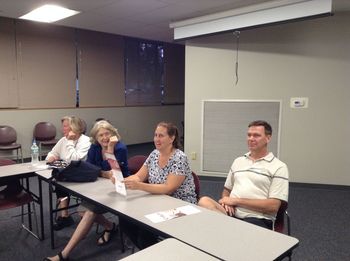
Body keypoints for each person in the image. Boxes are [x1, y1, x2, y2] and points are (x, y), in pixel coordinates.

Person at [44, 120, 129, 261]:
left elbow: (116, 174)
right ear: (95, 137)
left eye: (107, 134)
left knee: (88, 212)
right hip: (99, 188)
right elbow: (90, 170)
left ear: (113, 134)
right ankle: (111, 226)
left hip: (119, 189)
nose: (104, 138)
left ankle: (64, 255)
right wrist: (103, 173)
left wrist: (109, 150)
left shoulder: (120, 148)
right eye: (100, 135)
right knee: (81, 211)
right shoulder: (95, 148)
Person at [198, 120, 289, 230]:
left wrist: (235, 201)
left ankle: (227, 229)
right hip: (231, 213)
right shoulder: (238, 161)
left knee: (231, 232)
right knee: (204, 201)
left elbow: (273, 207)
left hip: (257, 218)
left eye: (256, 135)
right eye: (249, 135)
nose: (251, 138)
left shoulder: (279, 167)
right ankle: (229, 228)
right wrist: (227, 201)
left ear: (268, 138)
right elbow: (227, 190)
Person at [121, 122, 197, 249]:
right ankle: (152, 250)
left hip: (180, 205)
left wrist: (139, 186)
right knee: (125, 220)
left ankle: (159, 251)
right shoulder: (154, 154)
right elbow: (139, 176)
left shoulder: (179, 158)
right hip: (157, 200)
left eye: (161, 135)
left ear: (172, 138)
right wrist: (122, 180)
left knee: (146, 231)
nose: (157, 139)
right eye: (155, 135)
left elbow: (168, 188)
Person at [46, 116, 91, 230]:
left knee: (60, 180)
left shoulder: (86, 140)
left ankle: (68, 215)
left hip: (82, 174)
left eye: (65, 126)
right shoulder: (63, 140)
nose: (62, 129)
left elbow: (75, 159)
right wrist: (52, 157)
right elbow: (51, 154)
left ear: (74, 127)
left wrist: (70, 142)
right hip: (67, 171)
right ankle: (65, 215)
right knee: (59, 182)